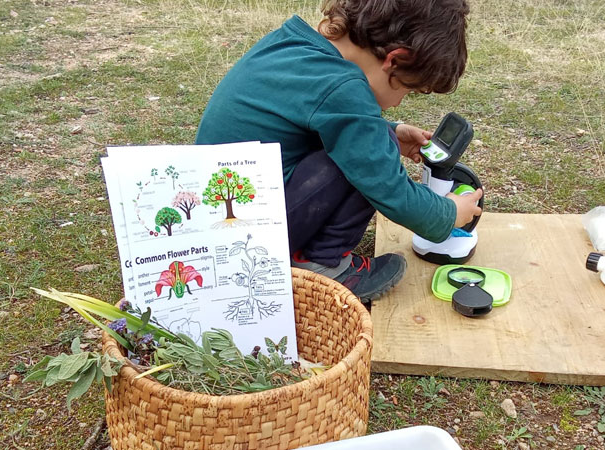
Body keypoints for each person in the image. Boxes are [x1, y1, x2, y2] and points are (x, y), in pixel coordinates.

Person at [195, 0, 482, 303]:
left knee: (376, 139)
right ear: (395, 60)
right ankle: (322, 265)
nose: (398, 102)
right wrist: (449, 214)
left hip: (218, 222)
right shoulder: (343, 87)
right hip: (247, 240)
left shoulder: (294, 45)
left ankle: (309, 254)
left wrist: (391, 132)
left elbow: (313, 115)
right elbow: (390, 190)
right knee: (370, 157)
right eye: (406, 90)